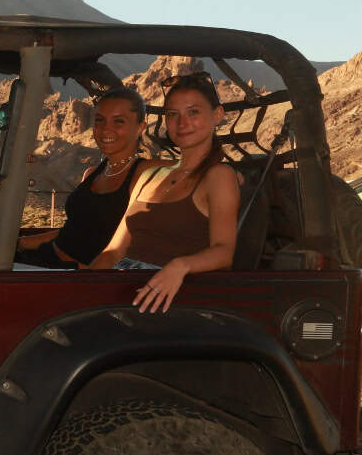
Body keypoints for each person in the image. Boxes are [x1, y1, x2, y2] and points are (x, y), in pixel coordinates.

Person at [91, 72, 239, 313]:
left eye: (193, 112)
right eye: (172, 114)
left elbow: (224, 251)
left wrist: (180, 266)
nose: (182, 123)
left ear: (218, 115)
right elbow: (113, 252)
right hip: (118, 287)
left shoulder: (218, 175)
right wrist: (77, 287)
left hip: (162, 296)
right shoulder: (150, 175)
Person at [16, 87, 167, 268]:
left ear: (140, 128)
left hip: (74, 277)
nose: (105, 129)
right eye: (99, 120)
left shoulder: (147, 172)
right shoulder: (92, 173)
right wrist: (20, 243)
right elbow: (74, 230)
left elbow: (194, 165)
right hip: (46, 261)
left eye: (119, 121)